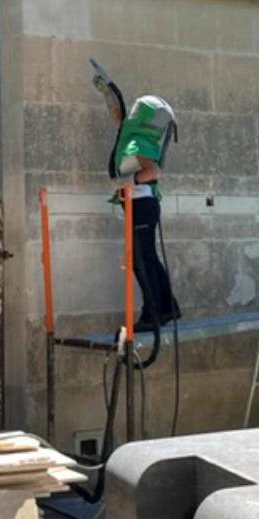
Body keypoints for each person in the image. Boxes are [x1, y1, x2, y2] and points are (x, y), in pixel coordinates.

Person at [93, 72, 180, 332]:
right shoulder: (135, 135)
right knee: (147, 258)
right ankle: (168, 307)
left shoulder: (139, 141)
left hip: (140, 206)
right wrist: (108, 93)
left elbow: (152, 171)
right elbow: (118, 116)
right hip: (141, 205)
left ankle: (152, 315)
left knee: (141, 261)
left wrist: (127, 181)